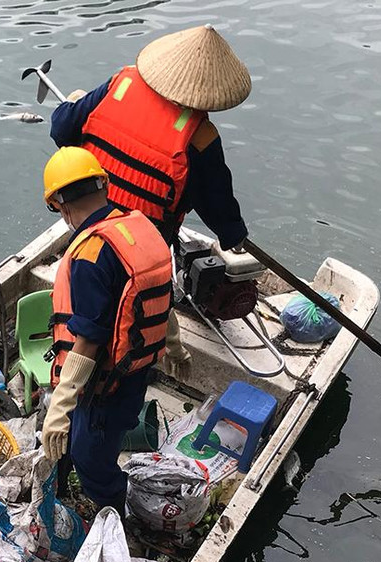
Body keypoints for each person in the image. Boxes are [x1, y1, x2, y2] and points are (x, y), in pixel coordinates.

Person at [50, 24, 254, 358]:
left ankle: (78, 358)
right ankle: (148, 357)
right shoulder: (200, 137)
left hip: (90, 228)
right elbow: (216, 203)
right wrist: (234, 234)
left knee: (88, 308)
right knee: (134, 318)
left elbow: (62, 129)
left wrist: (71, 104)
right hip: (143, 248)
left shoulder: (121, 84)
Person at [39, 147, 177, 512]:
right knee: (100, 436)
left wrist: (62, 405)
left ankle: (114, 513)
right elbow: (160, 292)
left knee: (92, 459)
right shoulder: (140, 226)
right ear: (104, 185)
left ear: (61, 206)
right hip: (135, 369)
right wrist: (177, 348)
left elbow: (89, 339)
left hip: (104, 383)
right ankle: (79, 475)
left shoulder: (90, 254)